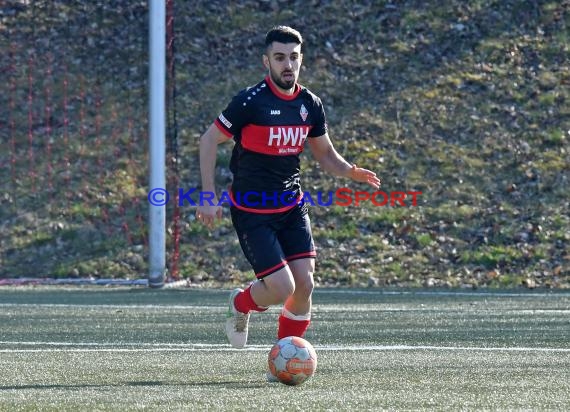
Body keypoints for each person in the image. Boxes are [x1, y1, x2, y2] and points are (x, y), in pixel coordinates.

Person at [195, 25, 380, 368]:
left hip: (292, 206)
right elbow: (208, 141)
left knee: (305, 285)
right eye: (279, 58)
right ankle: (241, 304)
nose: (287, 65)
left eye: (293, 58)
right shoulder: (249, 102)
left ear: (301, 60)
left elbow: (325, 154)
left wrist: (350, 170)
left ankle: (283, 362)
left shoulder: (310, 104)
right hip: (252, 210)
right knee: (281, 287)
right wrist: (209, 195)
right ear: (266, 61)